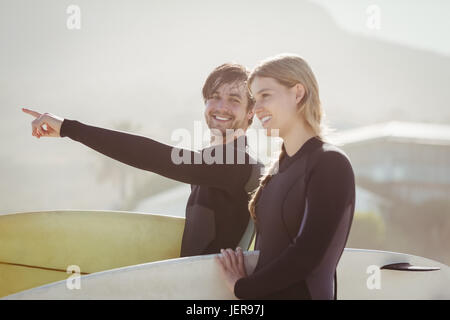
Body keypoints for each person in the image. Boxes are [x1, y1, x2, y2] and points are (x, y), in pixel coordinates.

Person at [22, 63, 263, 258]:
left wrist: (68, 128)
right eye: (214, 97)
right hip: (195, 286)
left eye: (234, 99)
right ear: (205, 103)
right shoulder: (214, 160)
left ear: (250, 111)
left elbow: (151, 156)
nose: (221, 107)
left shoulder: (236, 164)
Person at [216, 54, 356, 300]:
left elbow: (307, 254)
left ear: (298, 93)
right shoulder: (275, 172)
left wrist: (242, 288)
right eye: (254, 99)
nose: (257, 108)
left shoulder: (330, 163)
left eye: (265, 96)